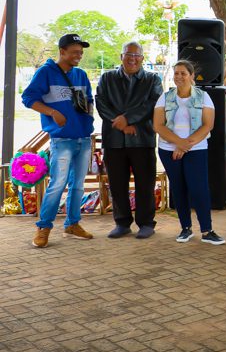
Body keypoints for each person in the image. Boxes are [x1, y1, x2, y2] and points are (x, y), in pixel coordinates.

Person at [22, 34, 96, 248]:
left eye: (81, 53)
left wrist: (88, 123)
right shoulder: (45, 72)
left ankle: (72, 224)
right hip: (61, 140)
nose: (78, 56)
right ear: (62, 52)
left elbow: (88, 101)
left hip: (83, 139)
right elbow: (28, 98)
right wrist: (52, 112)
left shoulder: (81, 75)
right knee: (57, 184)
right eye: (74, 52)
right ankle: (43, 227)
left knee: (78, 186)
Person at [95, 41, 163, 239]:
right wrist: (122, 123)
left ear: (142, 58)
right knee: (117, 184)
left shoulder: (153, 79)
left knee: (145, 183)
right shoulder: (107, 78)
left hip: (142, 138)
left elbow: (153, 104)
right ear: (121, 56)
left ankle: (146, 223)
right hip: (114, 139)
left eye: (137, 55)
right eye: (129, 54)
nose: (132, 58)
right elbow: (101, 101)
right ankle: (122, 222)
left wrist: (129, 118)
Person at [153, 60, 225, 245]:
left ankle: (207, 230)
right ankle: (185, 228)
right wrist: (179, 144)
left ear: (192, 76)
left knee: (199, 188)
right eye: (176, 73)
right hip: (169, 150)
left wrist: (184, 146)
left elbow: (208, 125)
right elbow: (158, 125)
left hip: (196, 149)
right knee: (178, 188)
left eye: (183, 73)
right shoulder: (165, 97)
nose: (179, 76)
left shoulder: (203, 97)